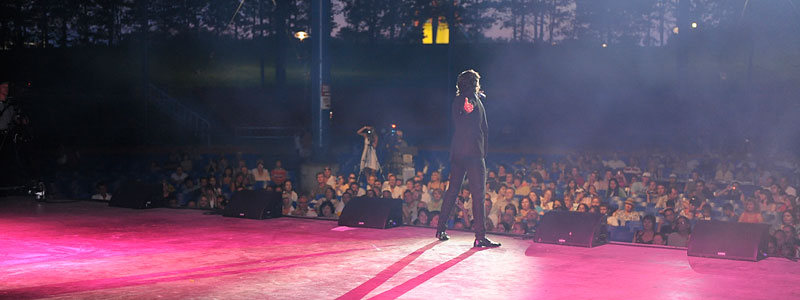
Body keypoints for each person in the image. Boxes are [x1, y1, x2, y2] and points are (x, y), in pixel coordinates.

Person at [435, 69, 499, 248]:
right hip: (473, 154)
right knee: (478, 195)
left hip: (459, 153)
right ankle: (480, 236)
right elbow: (465, 114)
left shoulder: (463, 98)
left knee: (453, 190)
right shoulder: (468, 100)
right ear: (473, 83)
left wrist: (474, 100)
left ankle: (440, 229)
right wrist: (468, 109)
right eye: (477, 81)